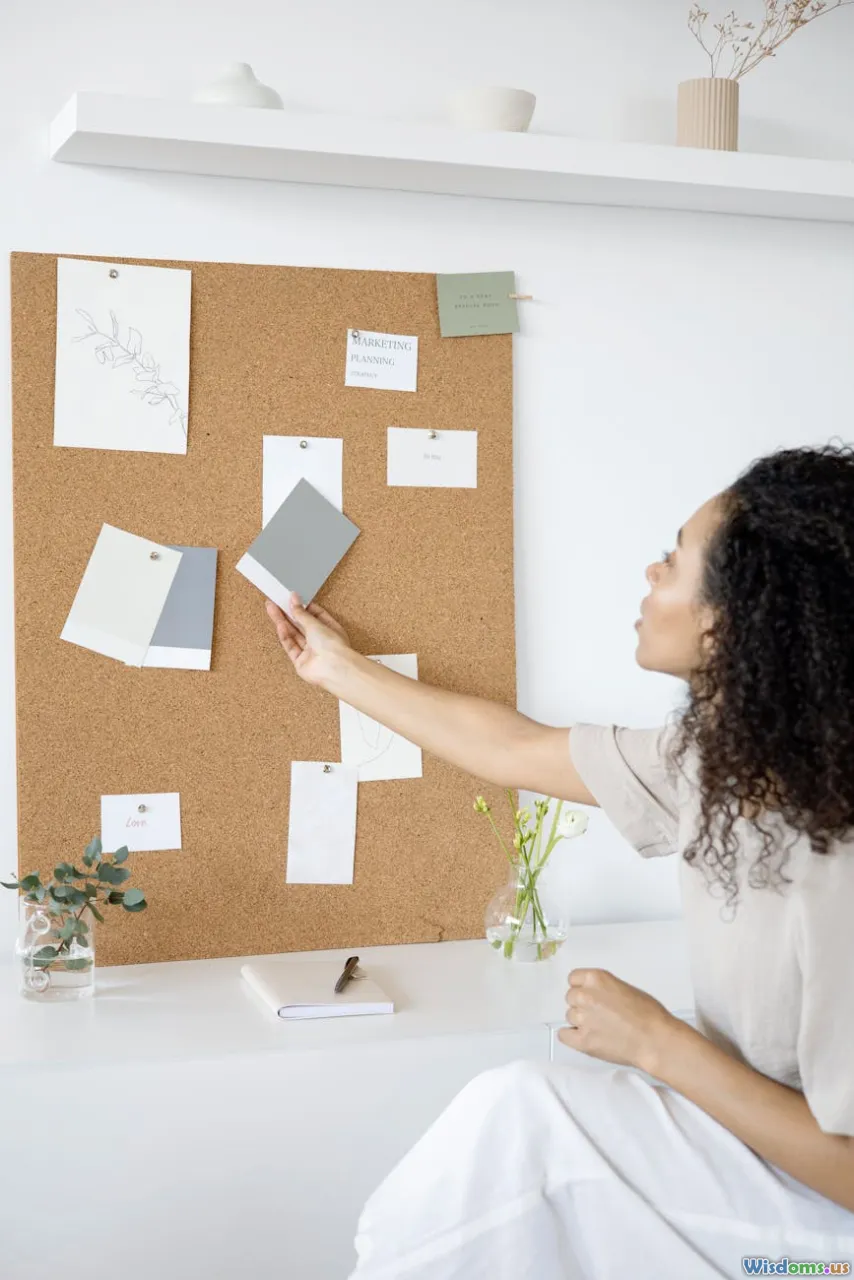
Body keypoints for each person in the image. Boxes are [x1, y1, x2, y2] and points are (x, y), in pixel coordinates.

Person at [266, 445, 854, 1278]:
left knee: (525, 1123)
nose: (651, 571)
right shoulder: (725, 765)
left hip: (821, 1229)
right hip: (748, 1152)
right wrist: (336, 669)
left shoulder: (839, 859)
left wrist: (659, 1044)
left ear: (734, 618)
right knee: (515, 1130)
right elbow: (514, 749)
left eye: (675, 558)